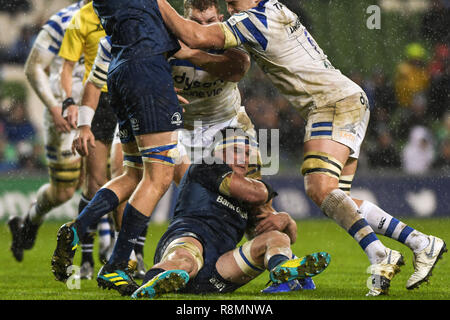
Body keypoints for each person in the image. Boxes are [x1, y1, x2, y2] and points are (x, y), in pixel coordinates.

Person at [156, 0, 447, 295]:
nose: (231, 9)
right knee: (338, 201)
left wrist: (155, 4)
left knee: (318, 188)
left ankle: (386, 252)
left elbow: (195, 36)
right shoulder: (273, 9)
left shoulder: (254, 19)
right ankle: (414, 244)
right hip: (346, 98)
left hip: (329, 103)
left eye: (232, 3)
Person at [51, 0, 184, 297]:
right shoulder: (145, 13)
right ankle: (118, 263)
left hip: (122, 75)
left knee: (133, 173)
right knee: (160, 177)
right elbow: (189, 39)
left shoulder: (112, 23)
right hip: (147, 73)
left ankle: (78, 227)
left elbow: (94, 80)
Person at [129, 129, 330, 299]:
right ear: (218, 152)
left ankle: (281, 271)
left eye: (247, 155)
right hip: (187, 240)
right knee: (188, 256)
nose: (243, 160)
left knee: (276, 237)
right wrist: (266, 190)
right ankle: (154, 281)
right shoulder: (206, 167)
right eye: (236, 152)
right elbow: (254, 192)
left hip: (219, 272)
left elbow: (283, 237)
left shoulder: (248, 194)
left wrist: (286, 220)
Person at [8, 0, 87, 263]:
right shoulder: (62, 21)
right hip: (64, 115)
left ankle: (111, 256)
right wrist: (55, 108)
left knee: (101, 179)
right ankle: (29, 221)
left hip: (102, 110)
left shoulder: (118, 18)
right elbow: (34, 67)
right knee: (65, 190)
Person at [56, 0, 117, 280]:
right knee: (95, 182)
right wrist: (69, 101)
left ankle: (128, 256)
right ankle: (88, 258)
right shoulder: (82, 18)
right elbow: (67, 67)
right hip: (98, 101)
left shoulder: (130, 9)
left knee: (128, 176)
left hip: (129, 95)